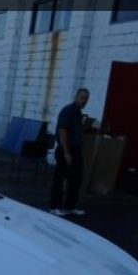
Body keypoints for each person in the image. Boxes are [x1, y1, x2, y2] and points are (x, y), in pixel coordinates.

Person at [50, 88, 89, 216]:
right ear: (76, 97)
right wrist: (66, 152)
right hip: (65, 149)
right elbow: (62, 131)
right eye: (82, 97)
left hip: (76, 149)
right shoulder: (68, 111)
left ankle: (70, 206)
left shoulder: (78, 113)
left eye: (86, 98)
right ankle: (55, 206)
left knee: (76, 178)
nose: (84, 101)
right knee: (60, 178)